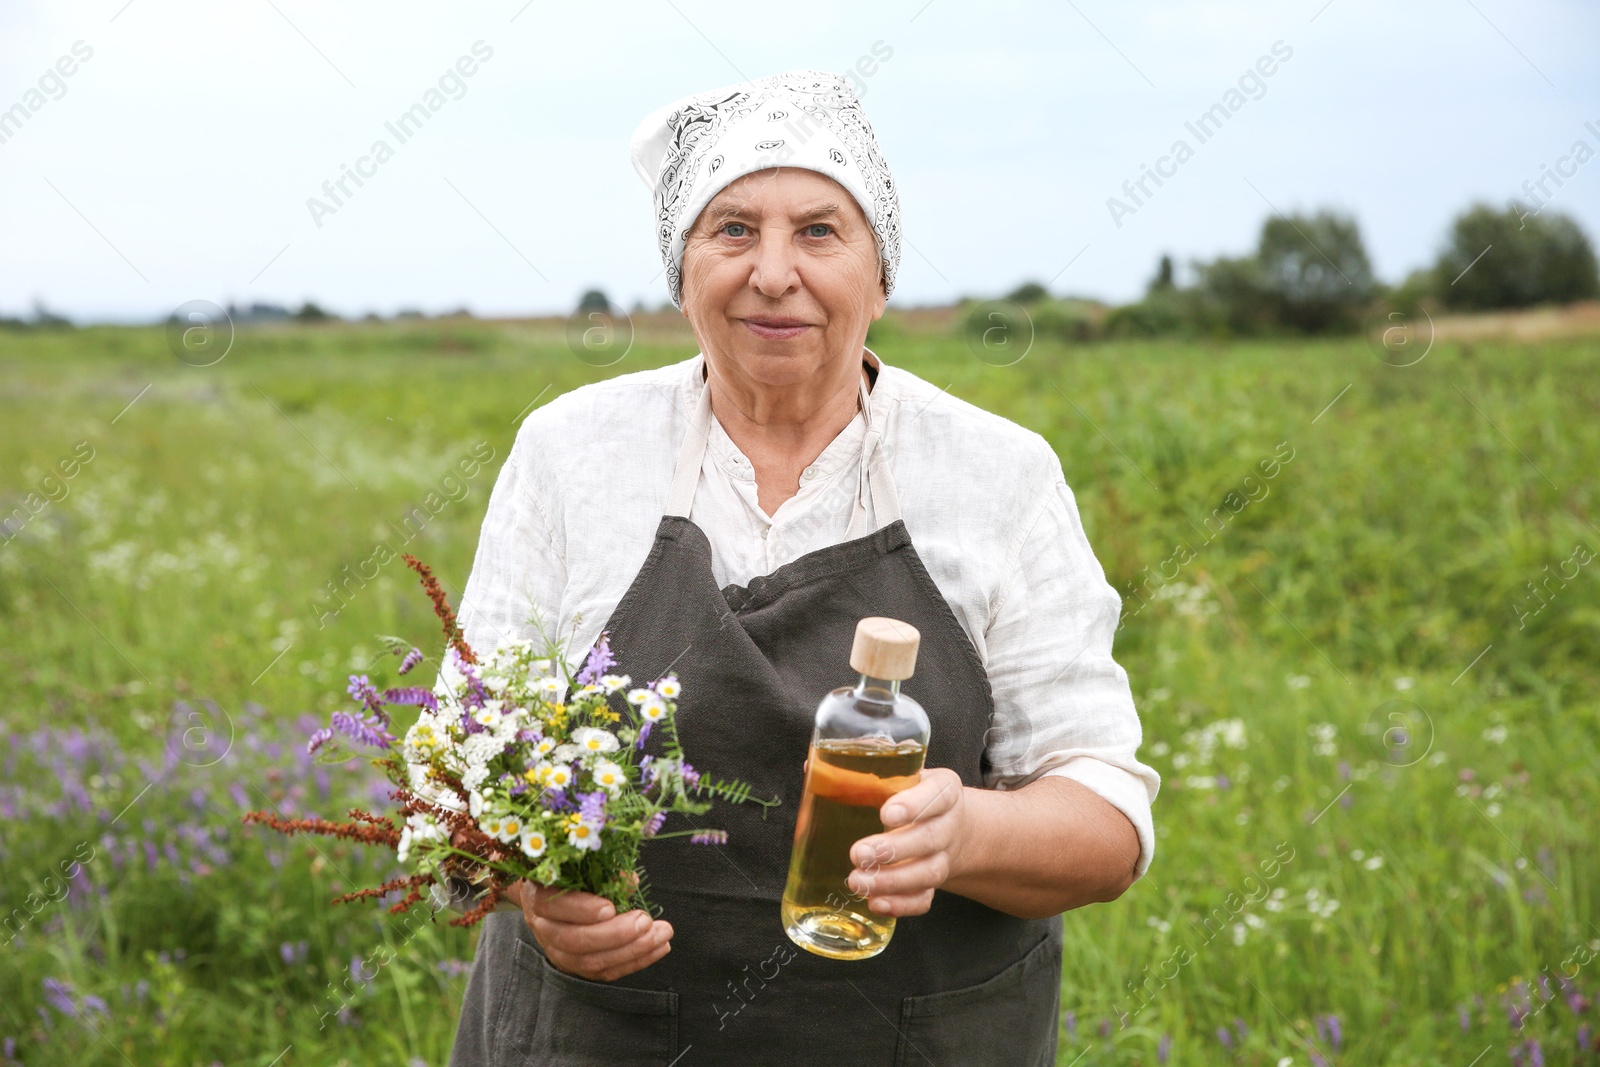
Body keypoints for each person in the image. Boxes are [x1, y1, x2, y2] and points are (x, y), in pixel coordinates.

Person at [445, 68, 1159, 1067]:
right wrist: (529, 887)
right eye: (731, 229)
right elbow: (460, 763)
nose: (772, 271)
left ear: (880, 271)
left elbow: (1106, 822)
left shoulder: (996, 474)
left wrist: (964, 836)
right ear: (680, 266)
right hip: (598, 1037)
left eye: (819, 230)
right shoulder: (575, 452)